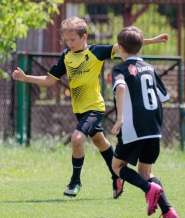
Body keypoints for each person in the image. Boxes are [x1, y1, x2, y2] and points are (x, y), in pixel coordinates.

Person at [12, 17, 169, 199]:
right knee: (100, 142)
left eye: (72, 39)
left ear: (84, 36)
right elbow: (49, 80)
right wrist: (26, 78)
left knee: (77, 139)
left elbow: (126, 45)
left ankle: (75, 182)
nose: (69, 43)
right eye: (66, 40)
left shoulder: (96, 52)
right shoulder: (66, 56)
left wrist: (154, 40)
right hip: (79, 109)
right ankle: (116, 175)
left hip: (95, 107)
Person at [111, 26, 178, 218]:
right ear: (140, 48)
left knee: (117, 167)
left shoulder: (120, 68)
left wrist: (120, 118)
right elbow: (164, 97)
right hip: (154, 127)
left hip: (133, 126)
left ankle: (148, 189)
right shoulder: (149, 68)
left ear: (120, 48)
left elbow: (121, 87)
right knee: (146, 170)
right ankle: (168, 211)